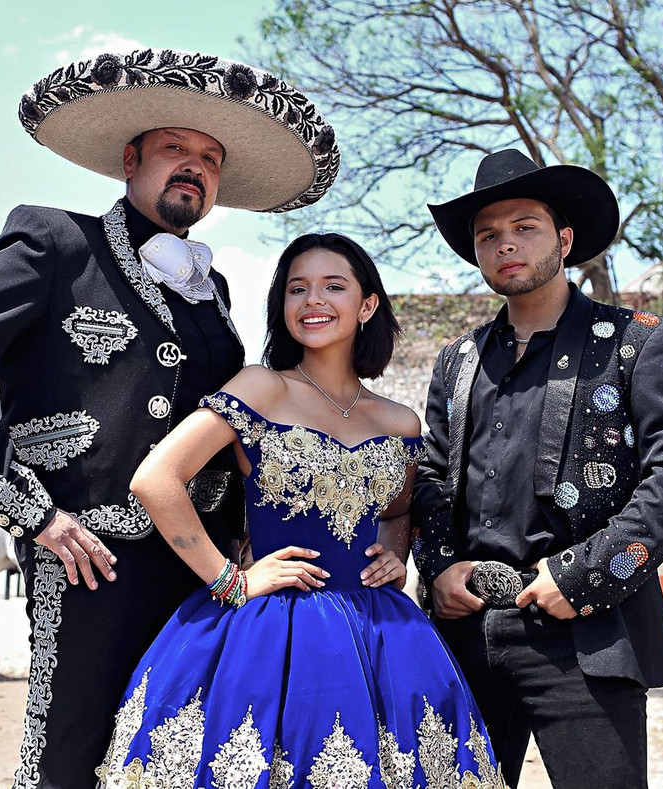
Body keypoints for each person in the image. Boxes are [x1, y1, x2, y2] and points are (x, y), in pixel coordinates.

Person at [0, 48, 339, 788]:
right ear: (130, 159)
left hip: (199, 568)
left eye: (209, 157)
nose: (193, 165)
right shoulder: (56, 244)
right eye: (174, 149)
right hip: (86, 560)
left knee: (173, 758)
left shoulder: (214, 290)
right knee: (69, 756)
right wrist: (33, 512)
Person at [95, 234, 505, 788]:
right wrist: (229, 581)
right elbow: (156, 479)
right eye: (297, 288)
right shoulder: (262, 387)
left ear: (367, 305)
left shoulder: (400, 421)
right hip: (267, 631)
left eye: (333, 286)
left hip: (380, 632)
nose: (313, 300)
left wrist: (397, 554)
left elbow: (400, 508)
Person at [412, 149, 663, 788]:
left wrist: (581, 576)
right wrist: (439, 571)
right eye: (488, 235)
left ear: (565, 239)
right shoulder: (456, 361)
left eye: (525, 227)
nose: (506, 245)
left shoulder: (639, 340)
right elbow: (434, 480)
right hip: (467, 639)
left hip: (588, 636)